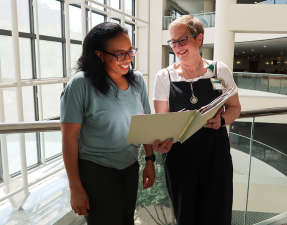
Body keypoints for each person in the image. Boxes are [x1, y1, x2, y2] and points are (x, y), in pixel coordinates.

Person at [60, 22, 173, 225]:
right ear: (99, 54)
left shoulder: (137, 79)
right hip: (96, 171)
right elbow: (69, 138)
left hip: (129, 166)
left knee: (126, 221)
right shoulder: (81, 84)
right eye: (120, 54)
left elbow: (145, 123)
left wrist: (149, 160)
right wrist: (75, 187)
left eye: (130, 51)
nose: (128, 59)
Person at [153, 15, 241, 224]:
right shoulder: (164, 77)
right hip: (179, 156)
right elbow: (161, 121)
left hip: (215, 154)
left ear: (199, 39)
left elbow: (235, 107)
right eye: (173, 42)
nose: (177, 47)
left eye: (182, 40)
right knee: (186, 216)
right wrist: (160, 140)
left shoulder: (219, 70)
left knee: (217, 212)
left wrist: (221, 121)